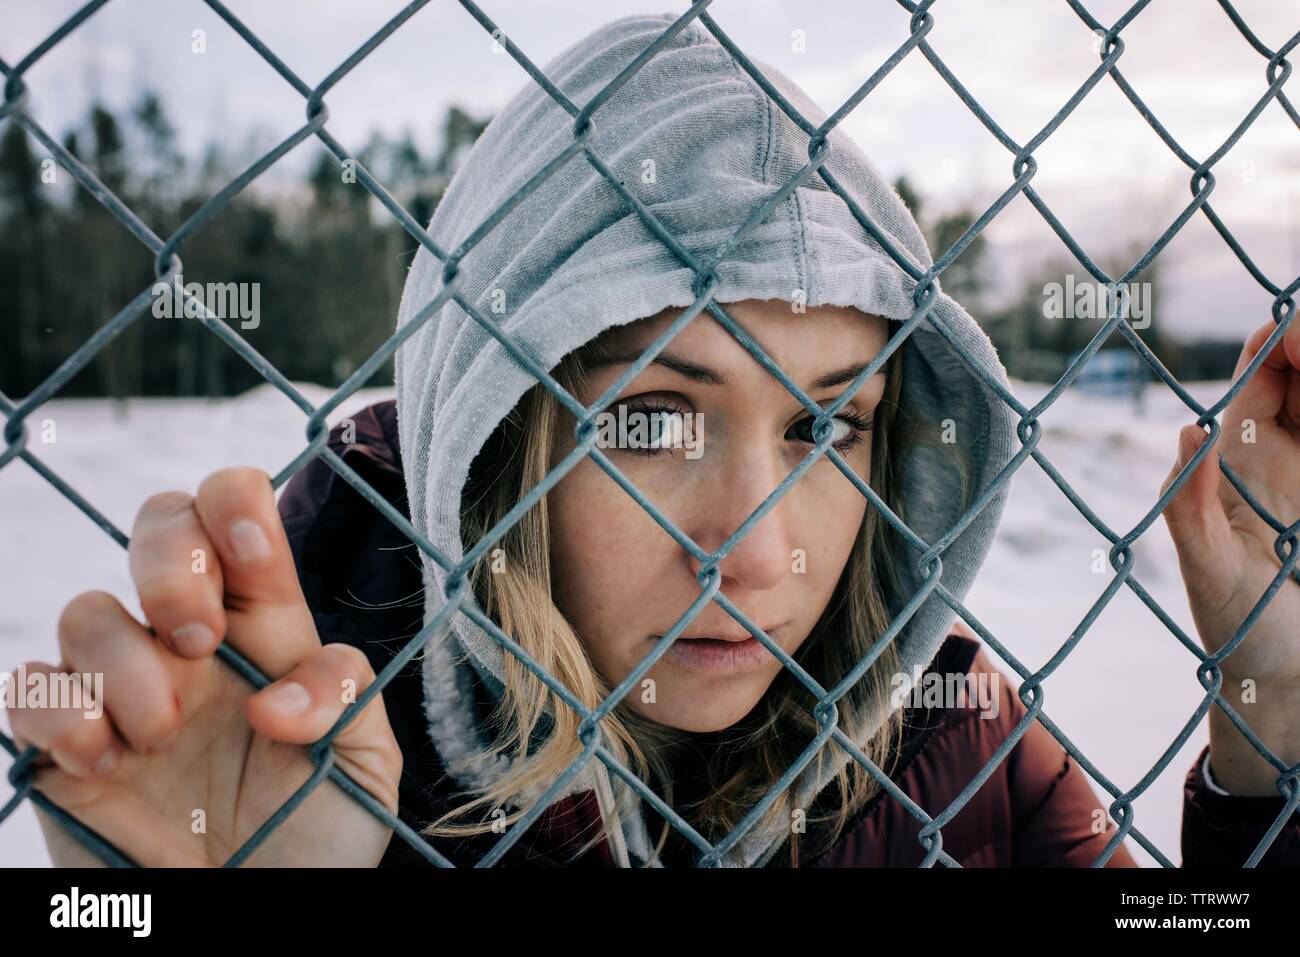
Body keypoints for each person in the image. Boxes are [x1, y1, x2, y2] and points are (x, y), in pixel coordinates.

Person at [12, 13, 1300, 868]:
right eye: (645, 419)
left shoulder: (957, 740)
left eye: (827, 424)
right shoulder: (282, 763)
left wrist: (1273, 734)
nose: (762, 553)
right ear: (492, 432)